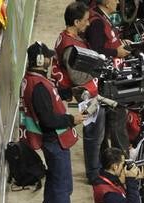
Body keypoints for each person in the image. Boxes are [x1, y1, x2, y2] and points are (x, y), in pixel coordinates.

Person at [20, 41, 84, 203]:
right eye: (47, 56)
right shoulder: (38, 87)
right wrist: (71, 119)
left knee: (55, 177)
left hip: (51, 140)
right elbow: (48, 120)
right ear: (40, 60)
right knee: (63, 186)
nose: (50, 60)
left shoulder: (35, 79)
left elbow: (51, 97)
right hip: (53, 139)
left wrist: (68, 92)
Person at [53, 1, 105, 184]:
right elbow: (77, 77)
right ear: (76, 22)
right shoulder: (69, 48)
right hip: (85, 93)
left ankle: (98, 167)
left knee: (98, 129)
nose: (88, 23)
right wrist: (99, 71)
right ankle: (93, 174)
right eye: (85, 20)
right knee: (93, 132)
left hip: (90, 89)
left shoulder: (70, 37)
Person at [85, 0, 132, 153]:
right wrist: (116, 53)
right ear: (105, 2)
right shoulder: (96, 22)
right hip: (106, 81)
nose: (118, 2)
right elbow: (96, 51)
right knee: (117, 120)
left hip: (112, 77)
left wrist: (121, 44)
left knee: (113, 122)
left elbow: (107, 43)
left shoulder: (102, 18)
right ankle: (122, 161)